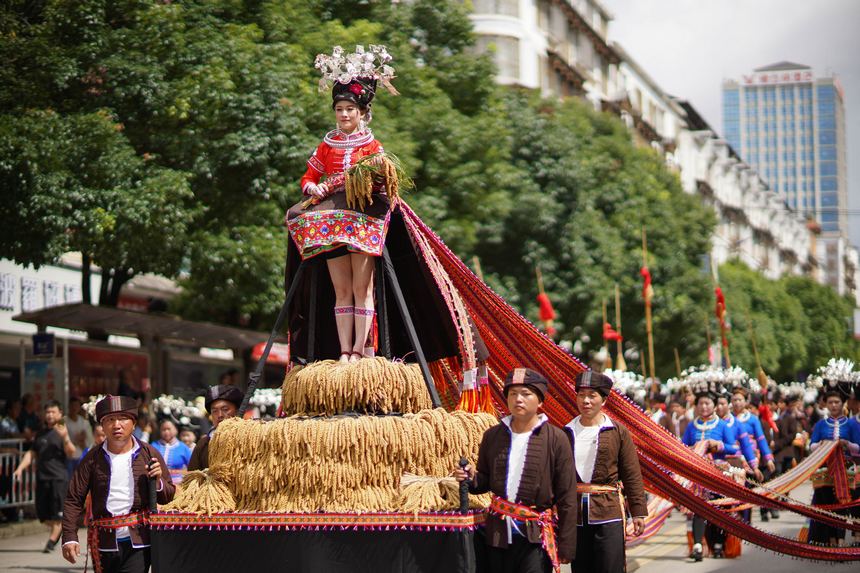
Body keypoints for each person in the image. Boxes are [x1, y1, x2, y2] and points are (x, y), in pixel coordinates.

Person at [285, 46, 398, 364]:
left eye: (350, 109)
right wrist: (316, 186)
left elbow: (380, 181)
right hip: (332, 218)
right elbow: (307, 178)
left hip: (361, 217)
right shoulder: (327, 144)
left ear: (362, 112)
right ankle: (344, 350)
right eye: (340, 109)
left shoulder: (373, 146)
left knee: (363, 288)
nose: (345, 114)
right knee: (342, 290)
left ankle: (362, 349)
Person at [454, 368, 577, 573]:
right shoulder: (493, 435)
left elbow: (567, 497)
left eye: (526, 394)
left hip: (535, 537)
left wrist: (567, 545)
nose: (518, 399)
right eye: (513, 394)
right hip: (498, 534)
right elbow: (484, 481)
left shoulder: (556, 439)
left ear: (540, 401)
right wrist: (469, 477)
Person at [61, 396, 175, 573]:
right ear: (102, 425)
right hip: (103, 543)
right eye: (110, 420)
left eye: (122, 418)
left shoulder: (149, 453)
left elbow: (168, 496)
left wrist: (158, 481)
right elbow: (74, 499)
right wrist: (69, 537)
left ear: (134, 423)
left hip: (139, 542)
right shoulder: (92, 458)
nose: (116, 425)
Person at [565, 371, 647, 573]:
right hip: (575, 515)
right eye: (581, 395)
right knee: (581, 568)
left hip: (608, 512)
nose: (586, 401)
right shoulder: (565, 432)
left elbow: (631, 473)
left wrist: (638, 512)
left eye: (592, 396)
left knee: (610, 567)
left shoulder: (617, 432)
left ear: (604, 400)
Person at [682, 386, 739, 561]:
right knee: (699, 508)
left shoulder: (722, 425)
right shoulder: (691, 426)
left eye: (707, 403)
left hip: (719, 473)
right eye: (700, 404)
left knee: (721, 509)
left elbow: (734, 448)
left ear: (714, 406)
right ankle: (698, 545)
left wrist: (718, 445)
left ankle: (718, 544)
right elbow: (682, 447)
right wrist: (693, 449)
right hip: (698, 474)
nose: (704, 407)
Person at [12, 400, 76, 552]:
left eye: (53, 412)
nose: (50, 415)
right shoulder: (40, 433)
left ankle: (51, 541)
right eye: (47, 412)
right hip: (42, 478)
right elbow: (32, 453)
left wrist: (66, 437)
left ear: (60, 414)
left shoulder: (62, 431)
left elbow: (72, 453)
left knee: (57, 514)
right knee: (42, 514)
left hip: (58, 479)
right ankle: (58, 528)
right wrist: (20, 468)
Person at [807, 387, 860, 546]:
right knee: (828, 506)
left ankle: (841, 542)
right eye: (830, 402)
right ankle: (831, 542)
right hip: (825, 469)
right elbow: (811, 446)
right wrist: (822, 444)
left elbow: (858, 447)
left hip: (846, 468)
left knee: (842, 505)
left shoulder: (851, 425)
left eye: (837, 402)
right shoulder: (821, 425)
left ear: (842, 404)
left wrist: (847, 444)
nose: (834, 405)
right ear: (826, 405)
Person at [187, 385, 244, 472]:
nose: (220, 415)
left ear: (236, 411)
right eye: (214, 411)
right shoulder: (204, 444)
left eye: (225, 409)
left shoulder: (248, 441)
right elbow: (191, 477)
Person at [151, 419, 192, 483]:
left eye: (169, 429)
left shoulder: (183, 448)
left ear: (176, 430)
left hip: (178, 485)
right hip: (158, 483)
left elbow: (192, 468)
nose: (166, 432)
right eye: (163, 429)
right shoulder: (153, 446)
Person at [64, 396, 93, 473]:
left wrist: (82, 440)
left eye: (76, 406)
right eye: (72, 406)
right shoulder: (63, 422)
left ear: (79, 407)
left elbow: (90, 441)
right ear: (68, 407)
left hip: (81, 456)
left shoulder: (84, 422)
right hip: (67, 457)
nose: (74, 408)